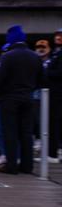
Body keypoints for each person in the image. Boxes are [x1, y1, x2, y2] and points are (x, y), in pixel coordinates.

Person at [0, 25, 43, 174]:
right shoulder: (35, 57)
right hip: (27, 98)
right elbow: (42, 80)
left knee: (10, 132)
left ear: (11, 39)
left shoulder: (7, 56)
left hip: (9, 99)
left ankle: (11, 165)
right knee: (26, 133)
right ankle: (27, 166)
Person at [44, 29, 62, 162]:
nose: (58, 37)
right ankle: (55, 151)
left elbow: (59, 73)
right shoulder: (56, 53)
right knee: (53, 122)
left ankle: (53, 154)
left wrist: (46, 72)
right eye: (57, 35)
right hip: (53, 92)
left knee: (55, 122)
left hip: (58, 92)